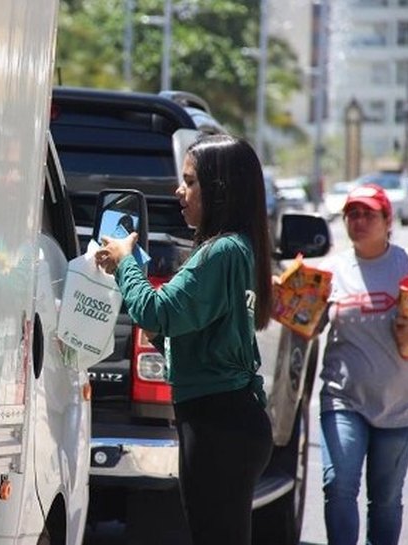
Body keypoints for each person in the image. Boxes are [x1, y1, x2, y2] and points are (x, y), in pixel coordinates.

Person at [95, 134, 273, 545]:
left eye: (190, 181)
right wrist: (129, 274)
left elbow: (158, 311)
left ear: (219, 189)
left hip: (219, 425)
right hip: (226, 422)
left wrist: (126, 264)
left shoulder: (222, 252)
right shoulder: (239, 249)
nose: (179, 191)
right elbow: (185, 332)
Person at [316, 183, 408, 545]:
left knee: (385, 501)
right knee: (338, 485)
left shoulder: (407, 264)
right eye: (352, 213)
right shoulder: (330, 272)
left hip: (401, 406)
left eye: (368, 213)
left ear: (388, 220)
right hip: (344, 400)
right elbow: (308, 327)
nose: (358, 220)